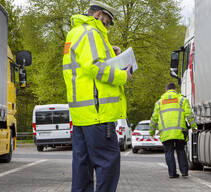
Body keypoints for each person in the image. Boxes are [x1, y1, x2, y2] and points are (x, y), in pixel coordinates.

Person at [62, 1, 132, 191]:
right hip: (98, 113)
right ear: (99, 15)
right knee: (108, 163)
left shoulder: (74, 33)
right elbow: (96, 66)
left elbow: (85, 68)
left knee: (82, 168)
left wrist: (112, 52)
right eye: (107, 21)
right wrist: (122, 76)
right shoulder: (92, 33)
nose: (106, 26)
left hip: (81, 115)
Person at [149, 83, 197, 178]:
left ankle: (172, 173)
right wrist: (193, 126)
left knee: (169, 152)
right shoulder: (182, 100)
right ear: (175, 89)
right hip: (179, 131)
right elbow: (189, 114)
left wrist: (151, 132)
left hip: (165, 132)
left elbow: (153, 119)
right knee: (180, 150)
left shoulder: (159, 103)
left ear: (166, 90)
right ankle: (184, 172)